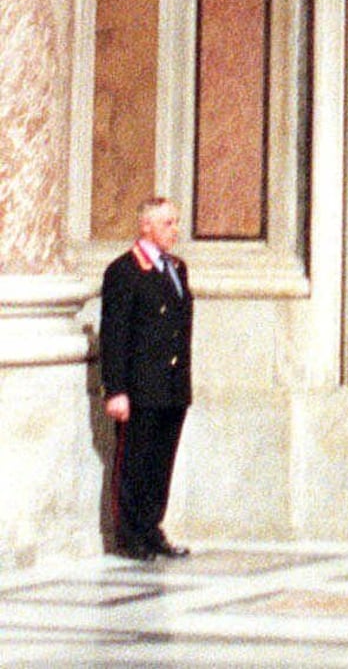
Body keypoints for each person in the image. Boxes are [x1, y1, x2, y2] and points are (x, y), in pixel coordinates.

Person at [98, 197, 193, 560]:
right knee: (134, 462)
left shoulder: (176, 269)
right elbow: (115, 334)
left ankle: (152, 528)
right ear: (146, 227)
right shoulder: (124, 271)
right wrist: (116, 389)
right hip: (140, 387)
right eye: (168, 223)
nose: (175, 230)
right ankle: (131, 534)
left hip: (171, 385)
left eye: (176, 222)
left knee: (160, 462)